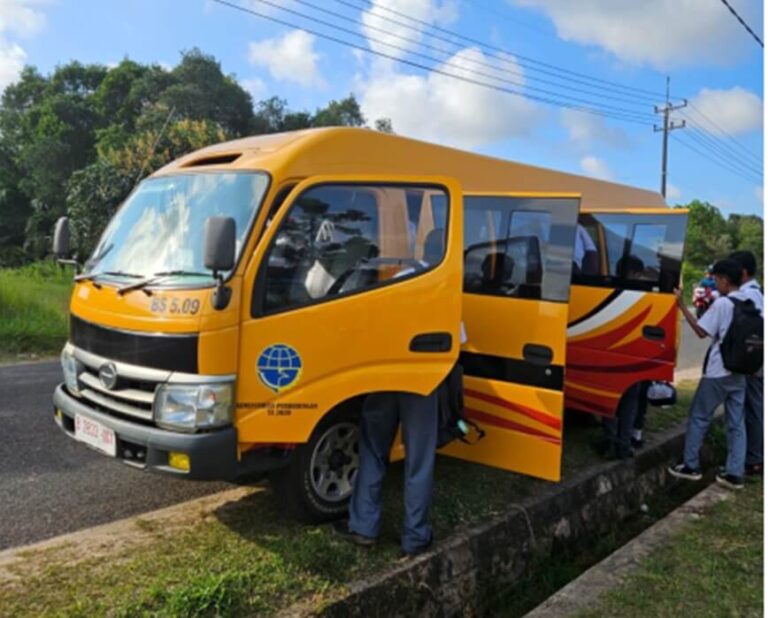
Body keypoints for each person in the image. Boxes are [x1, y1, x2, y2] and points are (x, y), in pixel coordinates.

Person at [668, 258, 751, 490]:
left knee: (699, 416)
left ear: (725, 280)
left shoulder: (723, 304)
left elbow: (701, 331)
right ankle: (735, 473)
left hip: (718, 371)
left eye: (716, 280)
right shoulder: (751, 302)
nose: (715, 284)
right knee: (736, 422)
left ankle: (690, 465)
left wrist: (682, 305)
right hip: (741, 371)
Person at [729, 250, 763, 477]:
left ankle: (754, 459)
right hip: (754, 363)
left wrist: (752, 364)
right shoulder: (757, 293)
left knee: (753, 410)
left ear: (741, 272)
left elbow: (756, 333)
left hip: (753, 365)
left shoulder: (750, 296)